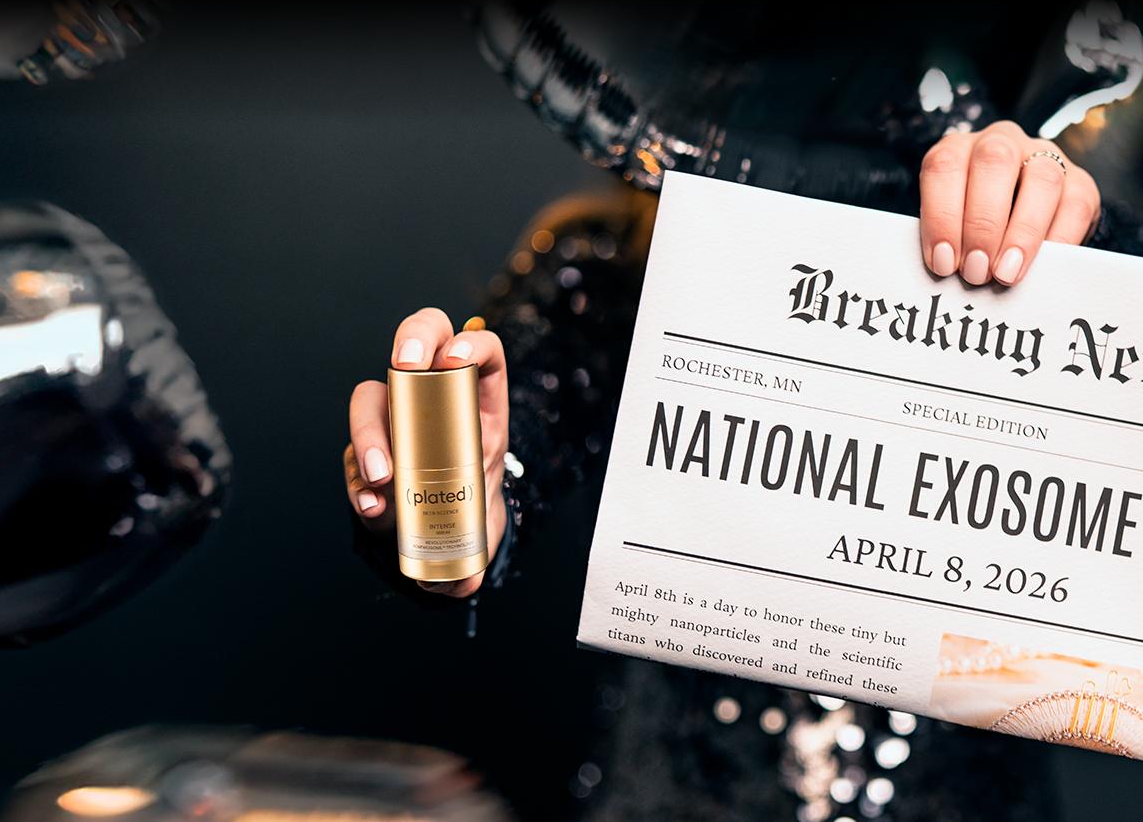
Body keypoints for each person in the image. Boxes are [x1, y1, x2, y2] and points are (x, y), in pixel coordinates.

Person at [338, 122, 1102, 820]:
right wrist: (451, 504)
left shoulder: (1078, 256)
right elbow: (510, 454)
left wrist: (1094, 266)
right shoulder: (610, 272)